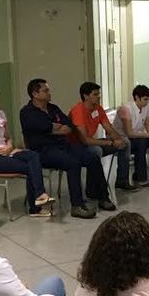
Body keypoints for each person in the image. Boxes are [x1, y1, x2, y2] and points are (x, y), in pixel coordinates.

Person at [19, 78, 114, 219]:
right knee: (73, 163)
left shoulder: (53, 108)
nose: (49, 93)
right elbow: (41, 127)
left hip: (63, 145)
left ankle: (103, 197)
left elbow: (69, 126)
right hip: (43, 151)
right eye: (45, 90)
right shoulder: (27, 112)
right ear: (35, 94)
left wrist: (53, 128)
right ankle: (77, 205)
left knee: (92, 156)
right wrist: (55, 127)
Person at [0, 84, 54, 218]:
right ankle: (35, 207)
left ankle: (39, 196)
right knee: (30, 168)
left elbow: (8, 137)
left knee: (33, 156)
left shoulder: (1, 114)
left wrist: (9, 146)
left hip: (7, 152)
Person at [69, 81, 135, 192]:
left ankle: (122, 180)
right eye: (95, 94)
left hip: (91, 141)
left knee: (125, 143)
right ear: (85, 96)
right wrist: (110, 143)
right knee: (96, 151)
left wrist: (118, 139)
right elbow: (84, 140)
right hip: (76, 145)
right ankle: (92, 189)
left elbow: (108, 127)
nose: (99, 96)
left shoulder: (98, 109)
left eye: (99, 94)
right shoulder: (78, 111)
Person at [115, 85, 149, 186]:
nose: (147, 102)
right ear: (136, 97)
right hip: (124, 138)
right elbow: (129, 133)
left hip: (137, 137)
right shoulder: (125, 109)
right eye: (145, 99)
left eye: (148, 100)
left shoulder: (144, 109)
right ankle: (140, 177)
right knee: (142, 142)